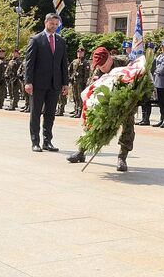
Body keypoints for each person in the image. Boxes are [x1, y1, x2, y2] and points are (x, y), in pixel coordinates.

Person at [67, 47, 135, 172]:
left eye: (103, 65)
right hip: (105, 100)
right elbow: (91, 87)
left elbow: (136, 78)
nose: (101, 68)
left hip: (125, 101)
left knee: (128, 127)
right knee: (92, 123)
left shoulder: (124, 62)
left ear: (109, 58)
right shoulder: (97, 68)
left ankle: (122, 158)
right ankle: (82, 151)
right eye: (99, 66)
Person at [24, 14, 69, 152]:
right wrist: (28, 82)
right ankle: (35, 142)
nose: (54, 26)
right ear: (46, 22)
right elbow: (29, 63)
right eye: (52, 23)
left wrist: (65, 83)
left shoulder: (61, 41)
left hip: (55, 84)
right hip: (38, 83)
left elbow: (63, 64)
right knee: (36, 113)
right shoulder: (36, 40)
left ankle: (47, 141)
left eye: (56, 24)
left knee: (50, 114)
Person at [70, 47, 88, 117]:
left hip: (81, 82)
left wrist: (85, 83)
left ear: (83, 53)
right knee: (75, 96)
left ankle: (80, 111)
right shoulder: (74, 61)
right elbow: (70, 69)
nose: (79, 53)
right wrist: (70, 77)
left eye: (81, 52)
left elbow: (87, 74)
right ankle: (76, 109)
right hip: (74, 81)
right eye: (78, 52)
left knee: (80, 97)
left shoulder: (85, 62)